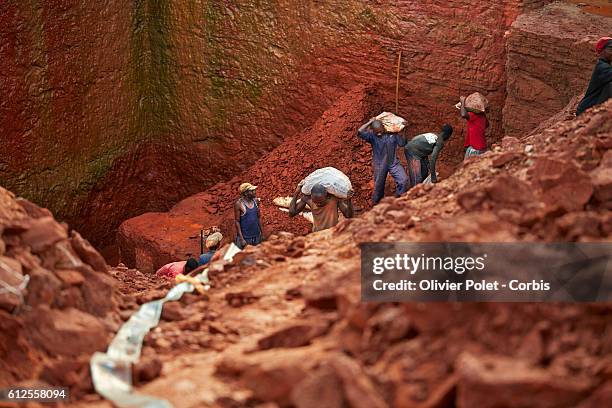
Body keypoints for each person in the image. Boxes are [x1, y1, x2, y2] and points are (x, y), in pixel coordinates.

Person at [357, 118, 409, 204]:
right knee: (378, 186)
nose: (379, 133)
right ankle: (377, 204)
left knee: (403, 180)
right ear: (372, 130)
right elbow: (360, 131)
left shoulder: (393, 134)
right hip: (379, 164)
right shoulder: (371, 136)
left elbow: (402, 143)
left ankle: (399, 199)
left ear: (384, 127)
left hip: (393, 163)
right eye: (377, 132)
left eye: (380, 130)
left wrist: (403, 130)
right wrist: (370, 121)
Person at [288, 183, 353, 232]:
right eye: (315, 202)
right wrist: (296, 193)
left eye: (320, 201)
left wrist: (349, 200)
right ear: (311, 197)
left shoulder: (334, 200)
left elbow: (349, 215)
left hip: (332, 234)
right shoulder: (308, 200)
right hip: (317, 234)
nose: (318, 204)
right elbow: (291, 213)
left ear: (326, 196)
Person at [576, 37, 612, 116]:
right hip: (587, 110)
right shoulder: (602, 67)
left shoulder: (605, 65)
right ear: (602, 50)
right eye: (611, 49)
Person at [235, 182, 264, 249]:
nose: (255, 192)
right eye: (252, 191)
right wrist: (241, 239)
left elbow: (258, 217)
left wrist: (262, 233)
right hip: (246, 238)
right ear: (245, 193)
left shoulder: (256, 201)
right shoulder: (239, 204)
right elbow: (237, 221)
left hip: (256, 236)